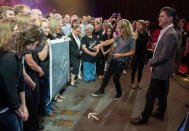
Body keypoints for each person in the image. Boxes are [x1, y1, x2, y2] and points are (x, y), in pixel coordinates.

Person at [130, 7, 178, 125]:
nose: (158, 18)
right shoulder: (167, 31)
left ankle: (143, 118)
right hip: (164, 70)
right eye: (159, 16)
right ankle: (160, 113)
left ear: (170, 18)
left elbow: (164, 56)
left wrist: (150, 62)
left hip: (161, 70)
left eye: (162, 16)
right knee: (162, 93)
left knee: (150, 95)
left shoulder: (170, 34)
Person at [91, 19, 135, 100]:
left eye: (119, 27)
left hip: (121, 62)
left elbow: (132, 52)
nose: (117, 29)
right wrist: (100, 45)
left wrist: (120, 55)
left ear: (124, 28)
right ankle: (101, 90)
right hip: (114, 60)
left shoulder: (131, 38)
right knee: (107, 76)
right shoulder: (119, 35)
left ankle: (119, 92)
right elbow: (109, 41)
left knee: (115, 79)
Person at [0, 18, 29, 131]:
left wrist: (22, 105)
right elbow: (8, 87)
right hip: (4, 108)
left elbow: (19, 79)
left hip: (10, 105)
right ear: (6, 32)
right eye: (16, 30)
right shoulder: (6, 57)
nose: (18, 33)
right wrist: (18, 109)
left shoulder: (11, 52)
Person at [131, 20, 150, 89]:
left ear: (143, 26)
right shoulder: (136, 33)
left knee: (140, 70)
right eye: (137, 25)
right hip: (136, 54)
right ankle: (132, 82)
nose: (137, 26)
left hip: (143, 55)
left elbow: (144, 43)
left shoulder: (146, 34)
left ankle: (138, 82)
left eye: (139, 25)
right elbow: (133, 45)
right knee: (134, 69)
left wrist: (137, 38)